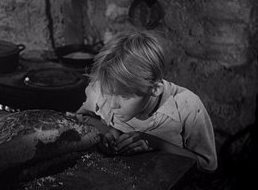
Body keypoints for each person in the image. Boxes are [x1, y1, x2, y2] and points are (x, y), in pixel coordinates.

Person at [76, 30, 217, 172]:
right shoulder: (101, 87)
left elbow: (207, 166)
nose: (112, 105)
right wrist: (108, 131)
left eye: (124, 96)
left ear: (155, 89)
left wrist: (157, 144)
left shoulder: (186, 107)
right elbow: (81, 117)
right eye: (107, 93)